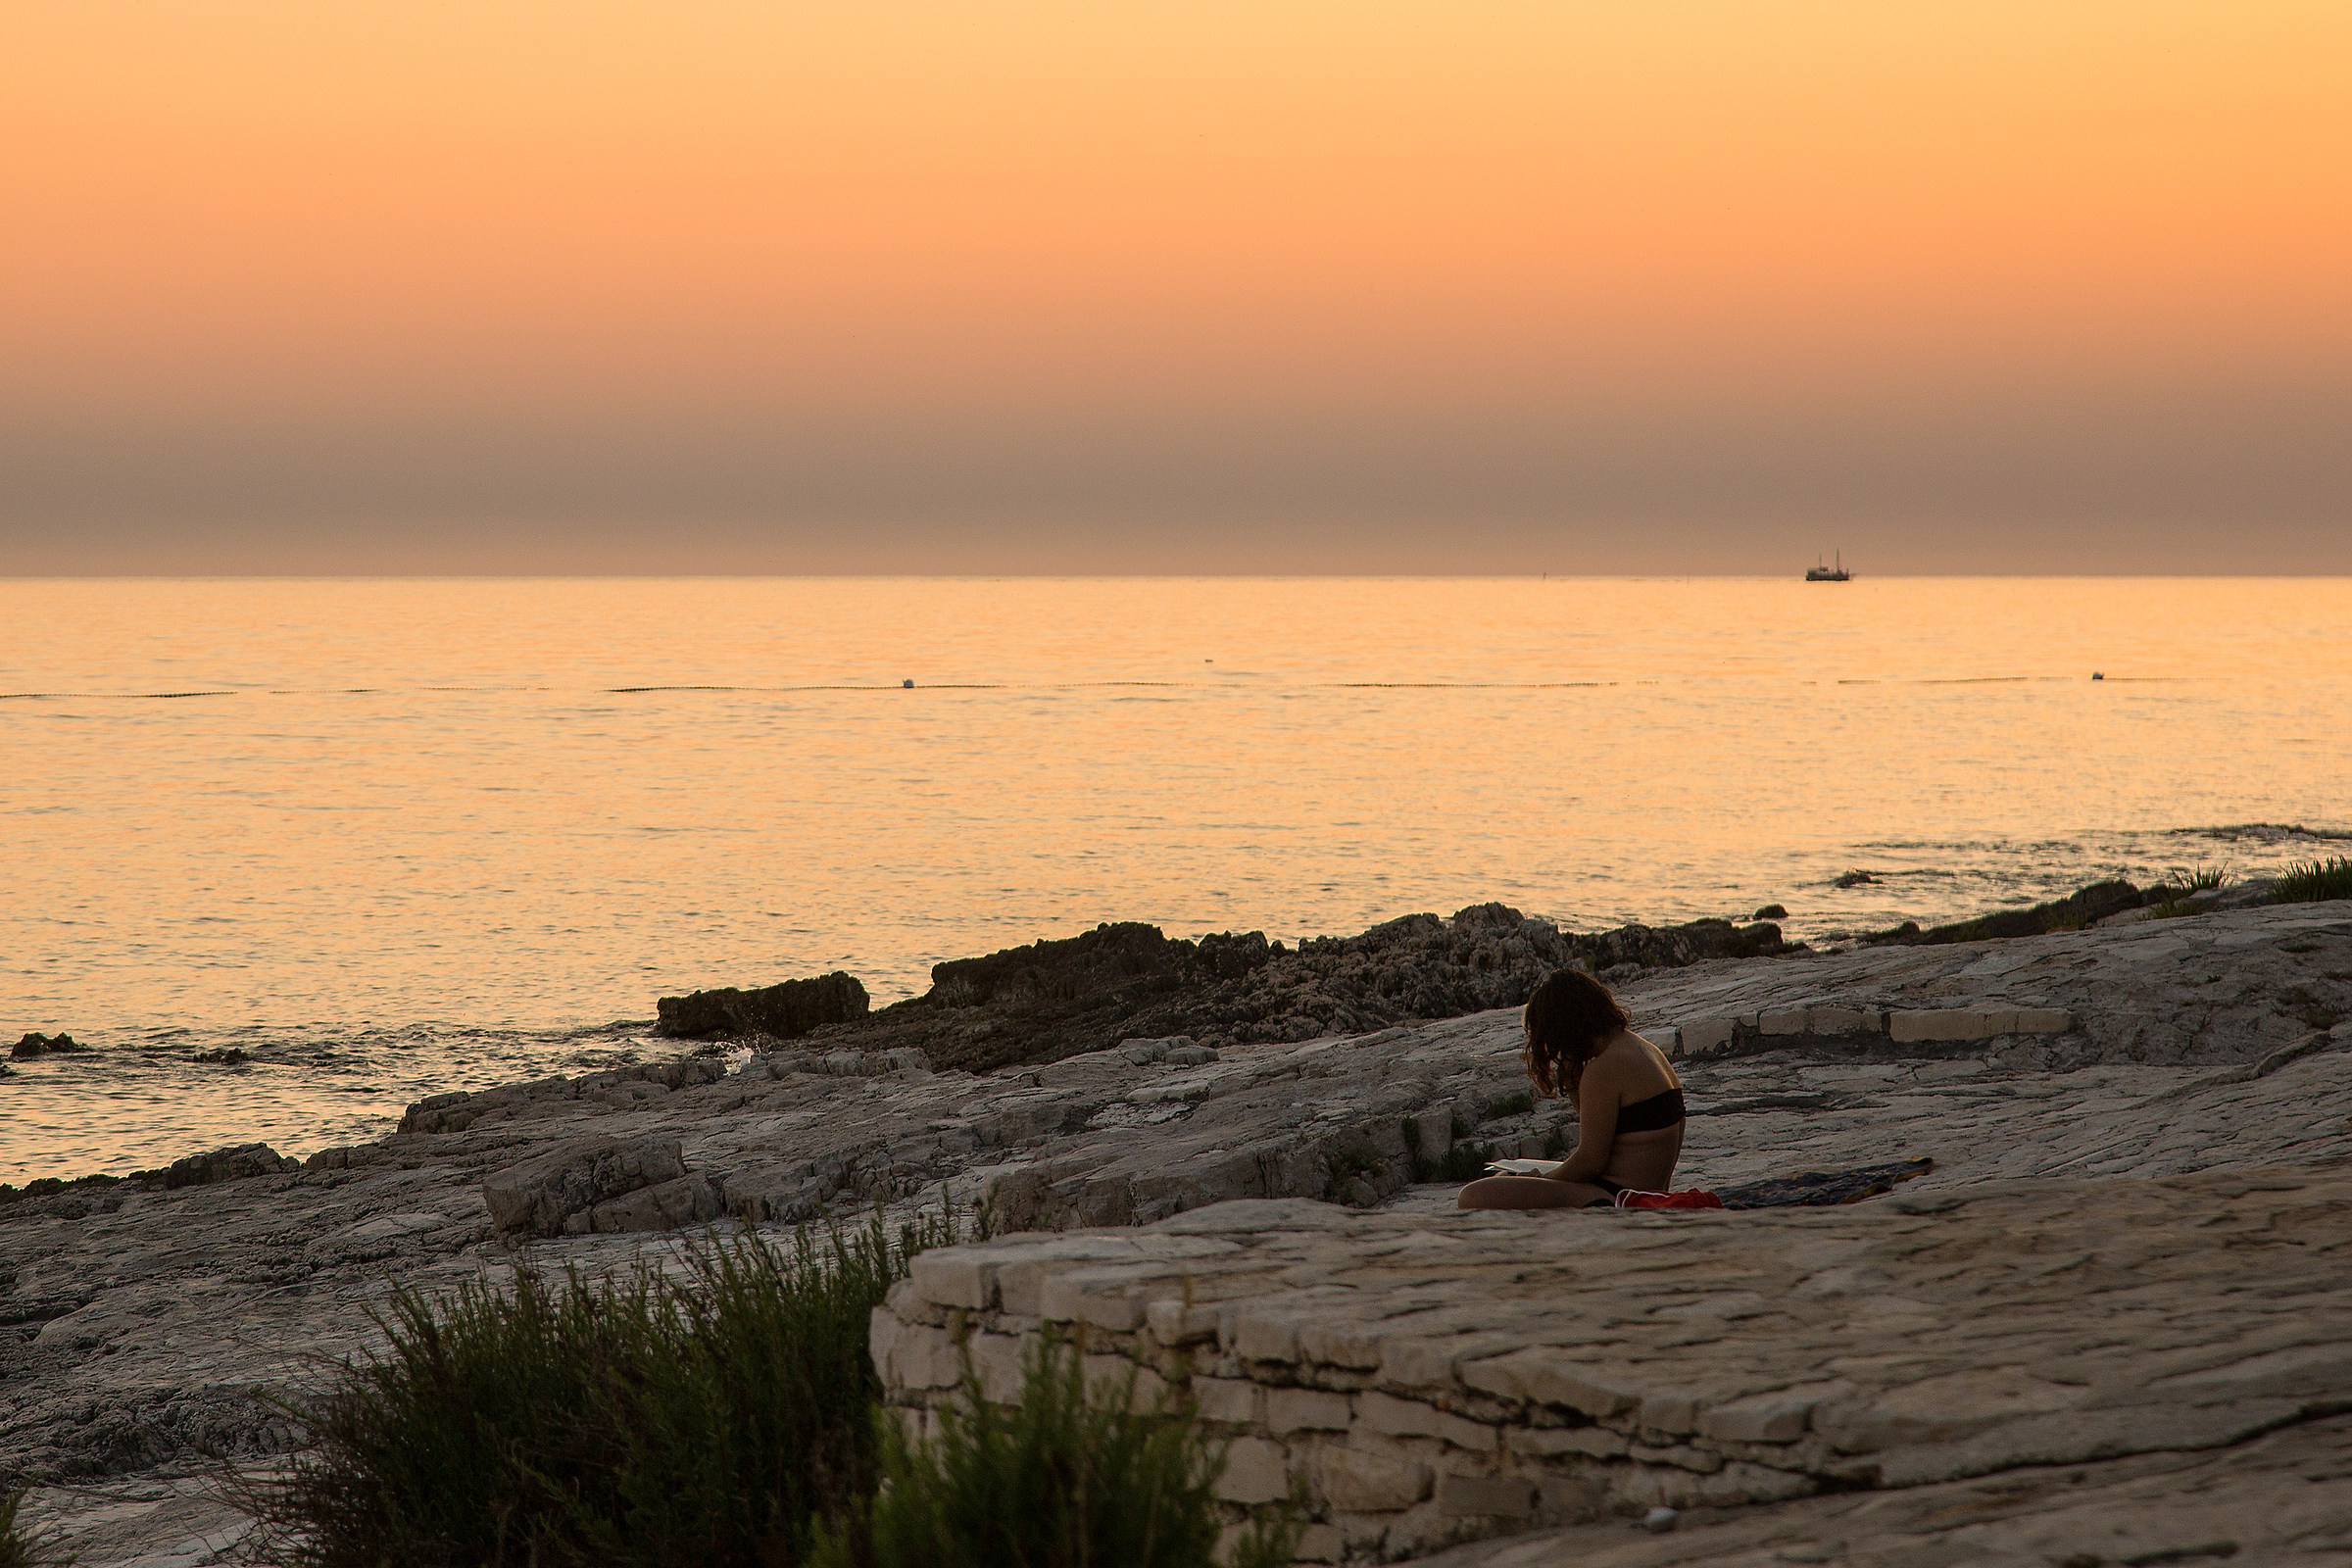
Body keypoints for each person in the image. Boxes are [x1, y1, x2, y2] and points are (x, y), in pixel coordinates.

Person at [1456, 967, 1684, 1209]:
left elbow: (1590, 1163)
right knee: (1505, 1179)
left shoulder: (1604, 1070)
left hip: (1616, 1198)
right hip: (1643, 1191)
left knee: (1473, 1195)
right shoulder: (1646, 1050)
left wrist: (1542, 1179)